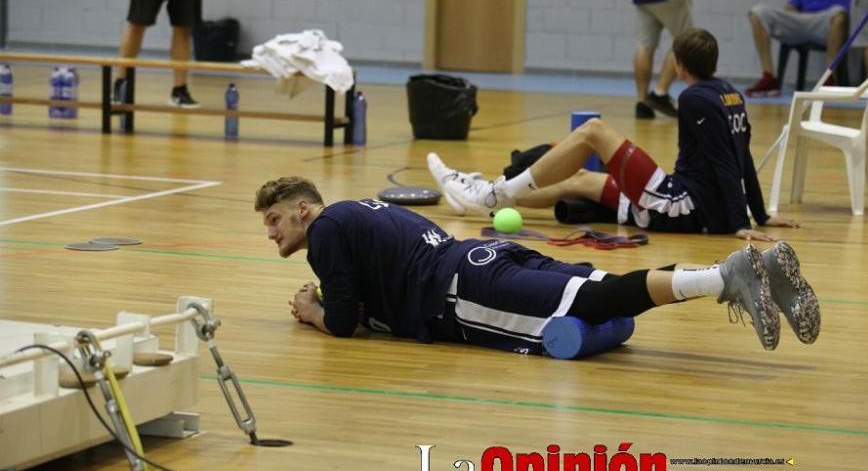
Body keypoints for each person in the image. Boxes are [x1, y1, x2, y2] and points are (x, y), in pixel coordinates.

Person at [257, 177, 822, 354]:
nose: (273, 232)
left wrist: (310, 311)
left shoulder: (326, 230)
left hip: (462, 288)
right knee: (599, 284)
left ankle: (727, 277)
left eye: (277, 220)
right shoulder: (358, 209)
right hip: (486, 256)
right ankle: (756, 272)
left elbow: (343, 320)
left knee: (595, 301)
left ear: (304, 209)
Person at [429, 29, 800, 242]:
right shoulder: (730, 93)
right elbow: (743, 157)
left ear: (679, 65)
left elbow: (724, 161)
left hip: (679, 204)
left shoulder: (693, 99)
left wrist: (740, 224)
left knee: (593, 131)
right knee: (580, 180)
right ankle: (485, 198)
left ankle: (495, 193)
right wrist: (761, 213)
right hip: (687, 201)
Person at [744, 0, 855, 97]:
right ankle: (769, 77)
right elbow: (790, 7)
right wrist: (791, 16)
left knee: (839, 12)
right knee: (758, 12)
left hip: (827, 23)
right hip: (802, 21)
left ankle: (830, 76)